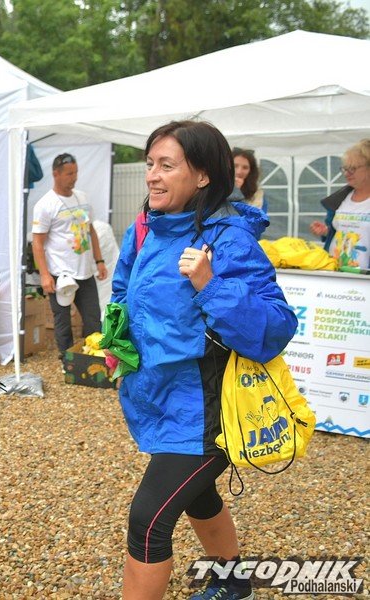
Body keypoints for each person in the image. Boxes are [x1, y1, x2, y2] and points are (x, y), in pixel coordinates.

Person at [110, 121, 297, 600]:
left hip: (206, 411)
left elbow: (275, 328)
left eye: (166, 165)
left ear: (203, 176)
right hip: (158, 399)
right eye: (150, 163)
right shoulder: (145, 230)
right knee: (198, 494)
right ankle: (234, 585)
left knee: (148, 520)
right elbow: (123, 294)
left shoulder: (229, 240)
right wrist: (117, 343)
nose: (152, 175)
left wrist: (210, 285)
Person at [31, 153, 108, 357]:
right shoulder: (45, 205)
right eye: (69, 174)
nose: (74, 177)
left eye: (75, 173)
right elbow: (37, 243)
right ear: (56, 174)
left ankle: (93, 357)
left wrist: (99, 260)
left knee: (93, 318)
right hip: (60, 273)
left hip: (85, 271)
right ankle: (68, 360)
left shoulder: (82, 198)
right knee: (62, 320)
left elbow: (91, 231)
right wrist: (44, 275)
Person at [309, 139, 370, 270]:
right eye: (345, 169)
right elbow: (339, 233)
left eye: (353, 168)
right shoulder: (340, 199)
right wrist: (326, 232)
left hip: (363, 278)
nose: (347, 173)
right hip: (334, 273)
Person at [230, 148, 266, 212]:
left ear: (251, 171)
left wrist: (237, 191)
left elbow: (252, 214)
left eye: (245, 168)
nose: (239, 172)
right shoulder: (218, 187)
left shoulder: (256, 192)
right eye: (235, 166)